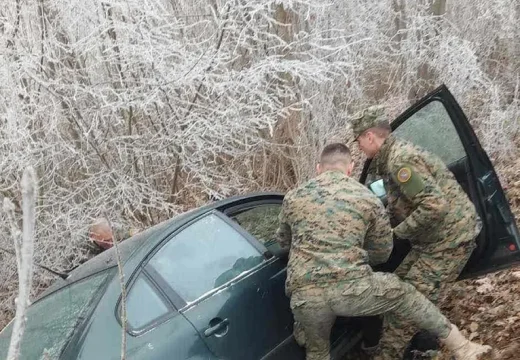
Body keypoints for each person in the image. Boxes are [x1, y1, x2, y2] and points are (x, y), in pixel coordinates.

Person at [275, 143, 491, 360]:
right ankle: (463, 349)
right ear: (350, 168)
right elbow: (382, 252)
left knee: (317, 353)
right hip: (352, 290)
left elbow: (284, 241)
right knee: (406, 294)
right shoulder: (366, 198)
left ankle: (326, 336)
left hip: (305, 296)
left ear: (318, 168)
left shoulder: (293, 197)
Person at [350, 106, 482, 359]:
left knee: (404, 309)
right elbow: (400, 203)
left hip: (449, 239)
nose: (360, 149)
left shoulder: (400, 160)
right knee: (395, 288)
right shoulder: (391, 159)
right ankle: (411, 346)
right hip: (433, 240)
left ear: (369, 136)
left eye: (359, 142)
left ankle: (389, 354)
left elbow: (434, 205)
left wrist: (396, 234)